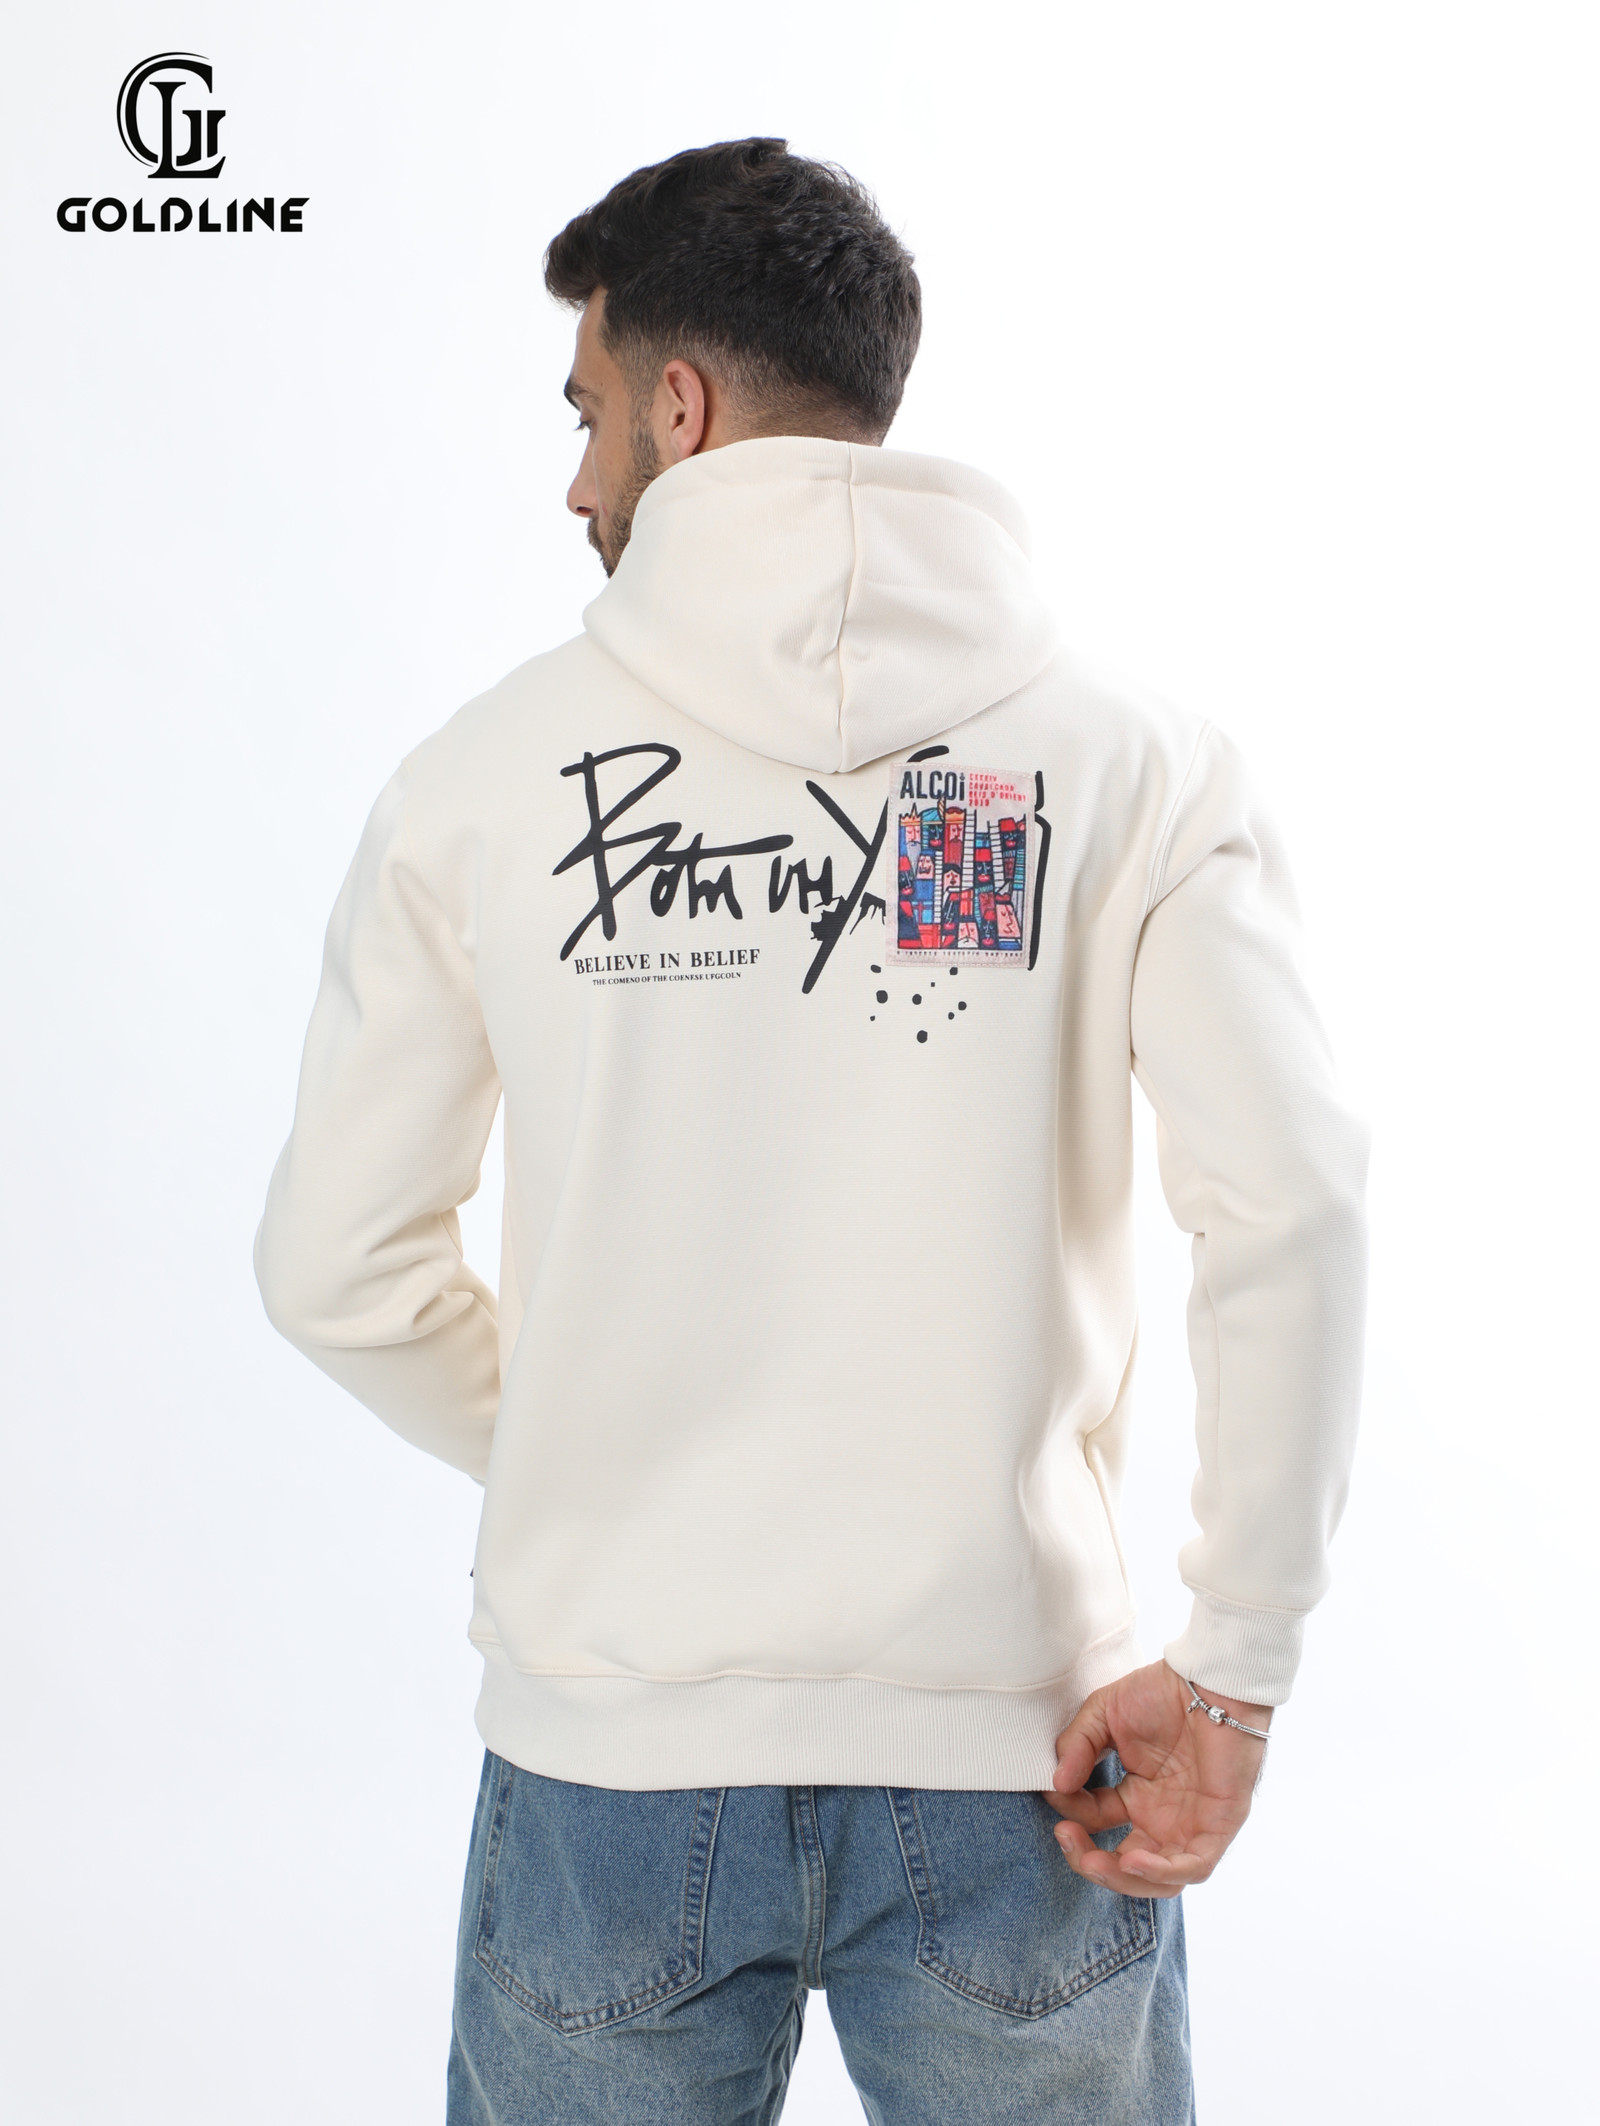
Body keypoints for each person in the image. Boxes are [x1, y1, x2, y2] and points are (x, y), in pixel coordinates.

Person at [254, 137, 1367, 2126]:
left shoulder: (480, 781)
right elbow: (1290, 1198)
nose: (577, 482)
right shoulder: (1131, 766)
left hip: (612, 1750)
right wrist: (1234, 1664)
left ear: (679, 406)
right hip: (1020, 1747)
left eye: (587, 413)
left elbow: (335, 1264)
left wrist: (612, 1439)